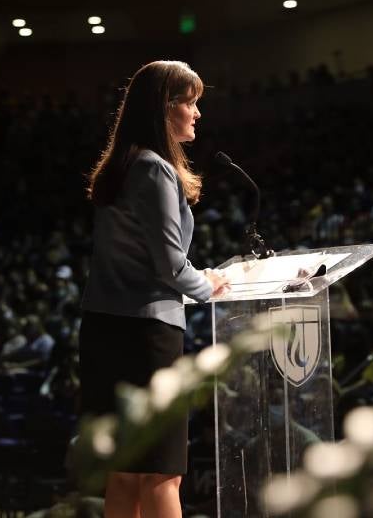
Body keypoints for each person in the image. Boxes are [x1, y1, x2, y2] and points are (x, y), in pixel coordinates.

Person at [80, 60, 229, 518]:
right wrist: (208, 283)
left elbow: (147, 262)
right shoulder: (155, 169)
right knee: (163, 475)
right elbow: (169, 267)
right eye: (190, 102)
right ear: (165, 108)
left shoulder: (123, 165)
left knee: (124, 474)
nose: (197, 113)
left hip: (105, 331)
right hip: (145, 337)